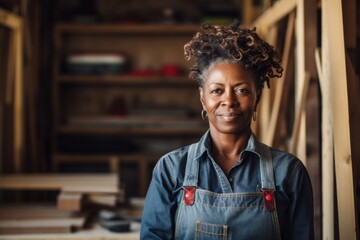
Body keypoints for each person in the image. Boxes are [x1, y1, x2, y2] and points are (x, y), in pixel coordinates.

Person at [140, 20, 314, 240]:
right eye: (217, 91)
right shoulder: (172, 170)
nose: (229, 101)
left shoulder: (289, 173)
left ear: (256, 96)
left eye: (241, 90)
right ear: (203, 98)